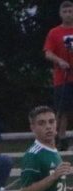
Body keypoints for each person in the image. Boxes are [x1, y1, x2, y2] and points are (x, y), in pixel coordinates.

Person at [44, 1, 73, 148]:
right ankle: (61, 138)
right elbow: (48, 52)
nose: (68, 14)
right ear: (61, 14)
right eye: (65, 11)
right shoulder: (54, 32)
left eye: (70, 11)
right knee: (62, 109)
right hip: (63, 77)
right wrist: (59, 61)